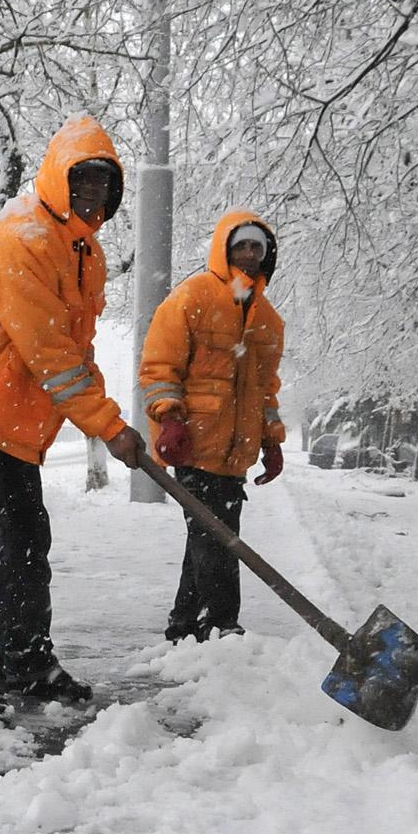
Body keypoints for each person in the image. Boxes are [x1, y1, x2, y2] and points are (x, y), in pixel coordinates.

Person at [0, 115, 145, 721]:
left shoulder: (80, 251)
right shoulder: (23, 238)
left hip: (12, 422)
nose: (94, 195)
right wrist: (109, 426)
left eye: (104, 185)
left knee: (27, 545)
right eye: (84, 181)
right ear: (57, 179)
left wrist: (107, 416)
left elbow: (76, 352)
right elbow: (50, 356)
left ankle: (29, 662)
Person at [138, 212, 287, 643]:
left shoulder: (268, 321)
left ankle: (184, 624)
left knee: (212, 533)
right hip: (195, 441)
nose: (249, 254)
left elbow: (265, 391)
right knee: (217, 536)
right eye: (241, 246)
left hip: (235, 451)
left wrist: (271, 442)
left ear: (267, 256)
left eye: (257, 247)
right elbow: (160, 366)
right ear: (225, 250)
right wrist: (169, 418)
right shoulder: (194, 298)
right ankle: (221, 623)